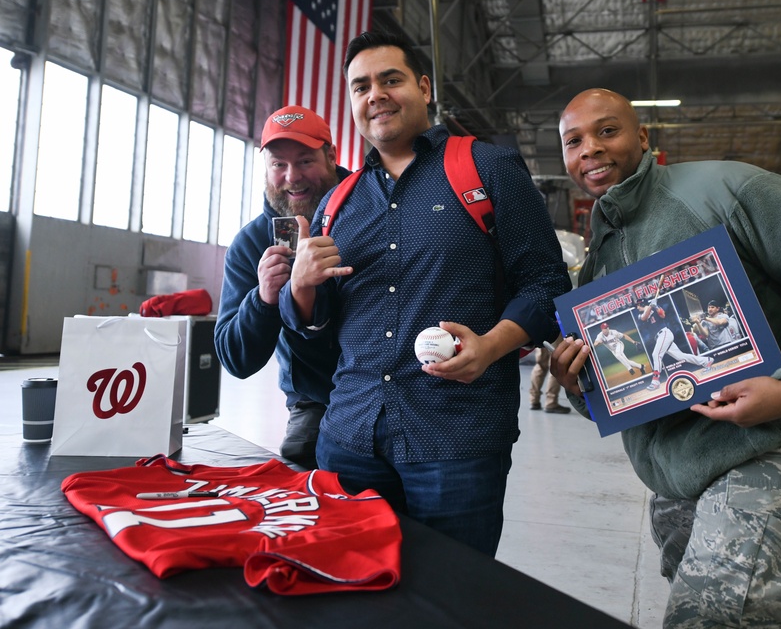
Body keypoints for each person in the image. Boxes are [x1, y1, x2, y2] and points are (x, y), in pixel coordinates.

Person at [549, 88, 781, 629]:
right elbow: (628, 386)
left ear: (644, 138)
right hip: (677, 478)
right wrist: (580, 383)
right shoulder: (598, 260)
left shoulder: (723, 189)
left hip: (772, 448)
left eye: (607, 131)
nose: (591, 150)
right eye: (573, 141)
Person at [279, 31, 571, 556]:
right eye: (361, 86)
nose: (376, 95)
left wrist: (491, 345)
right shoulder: (338, 202)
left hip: (457, 441)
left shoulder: (487, 168)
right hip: (349, 437)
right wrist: (300, 289)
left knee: (452, 606)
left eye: (391, 80)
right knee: (350, 597)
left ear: (424, 86)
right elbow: (316, 321)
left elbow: (546, 284)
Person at [214, 105, 348, 469]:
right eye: (278, 164)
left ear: (331, 156)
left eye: (305, 161)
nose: (292, 176)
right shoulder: (252, 244)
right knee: (303, 466)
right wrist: (263, 299)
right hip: (315, 399)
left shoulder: (373, 209)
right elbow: (235, 359)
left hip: (392, 384)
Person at [636, 297, 713, 391]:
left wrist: (656, 306)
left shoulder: (655, 307)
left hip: (664, 333)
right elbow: (644, 317)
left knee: (656, 354)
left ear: (642, 304)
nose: (637, 308)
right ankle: (706, 361)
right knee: (680, 357)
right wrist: (651, 306)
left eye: (638, 305)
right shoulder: (640, 315)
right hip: (659, 337)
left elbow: (663, 315)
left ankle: (655, 381)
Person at [528, 345, 570, 413]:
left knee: (540, 365)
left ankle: (534, 400)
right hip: (555, 336)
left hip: (541, 336)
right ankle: (551, 402)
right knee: (555, 367)